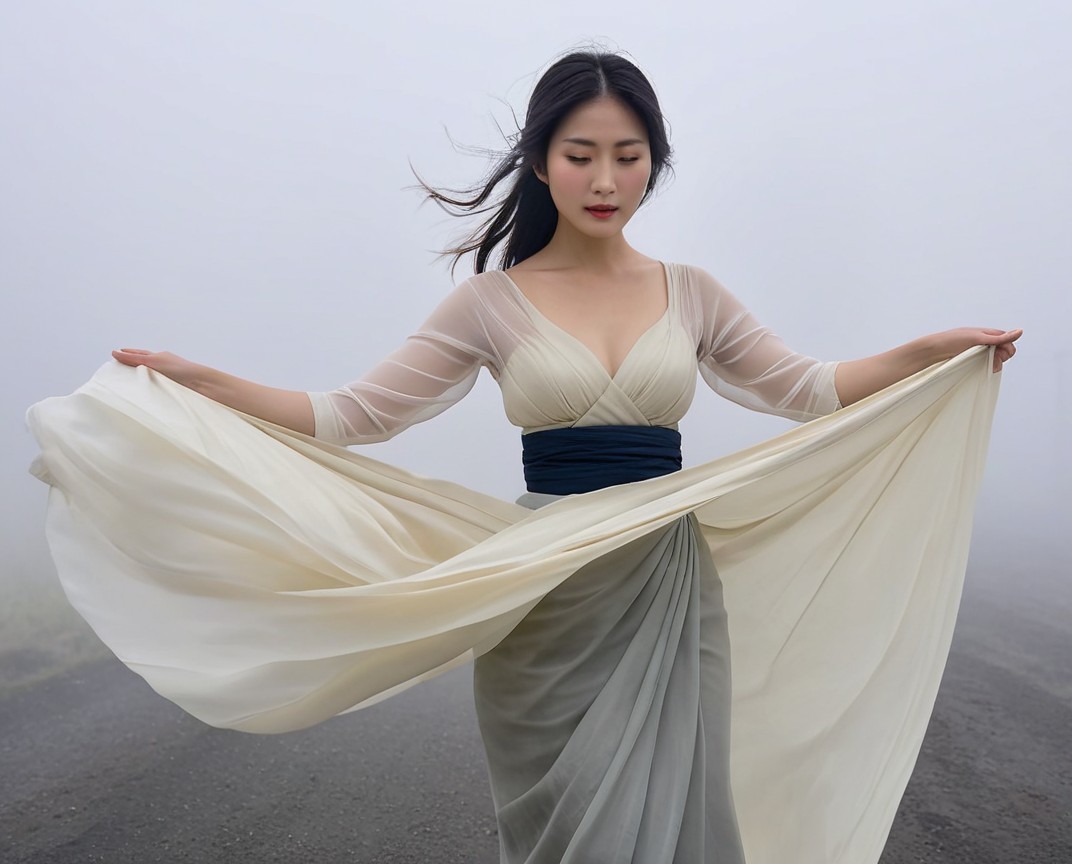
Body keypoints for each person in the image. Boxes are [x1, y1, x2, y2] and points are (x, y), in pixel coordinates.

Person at [36, 50, 1018, 864]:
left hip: (671, 593)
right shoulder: (490, 303)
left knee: (683, 828)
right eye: (580, 153)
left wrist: (928, 355)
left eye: (627, 156)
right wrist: (196, 380)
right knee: (567, 837)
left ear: (653, 165)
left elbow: (804, 389)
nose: (604, 179)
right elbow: (353, 415)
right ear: (542, 163)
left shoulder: (694, 292)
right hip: (548, 599)